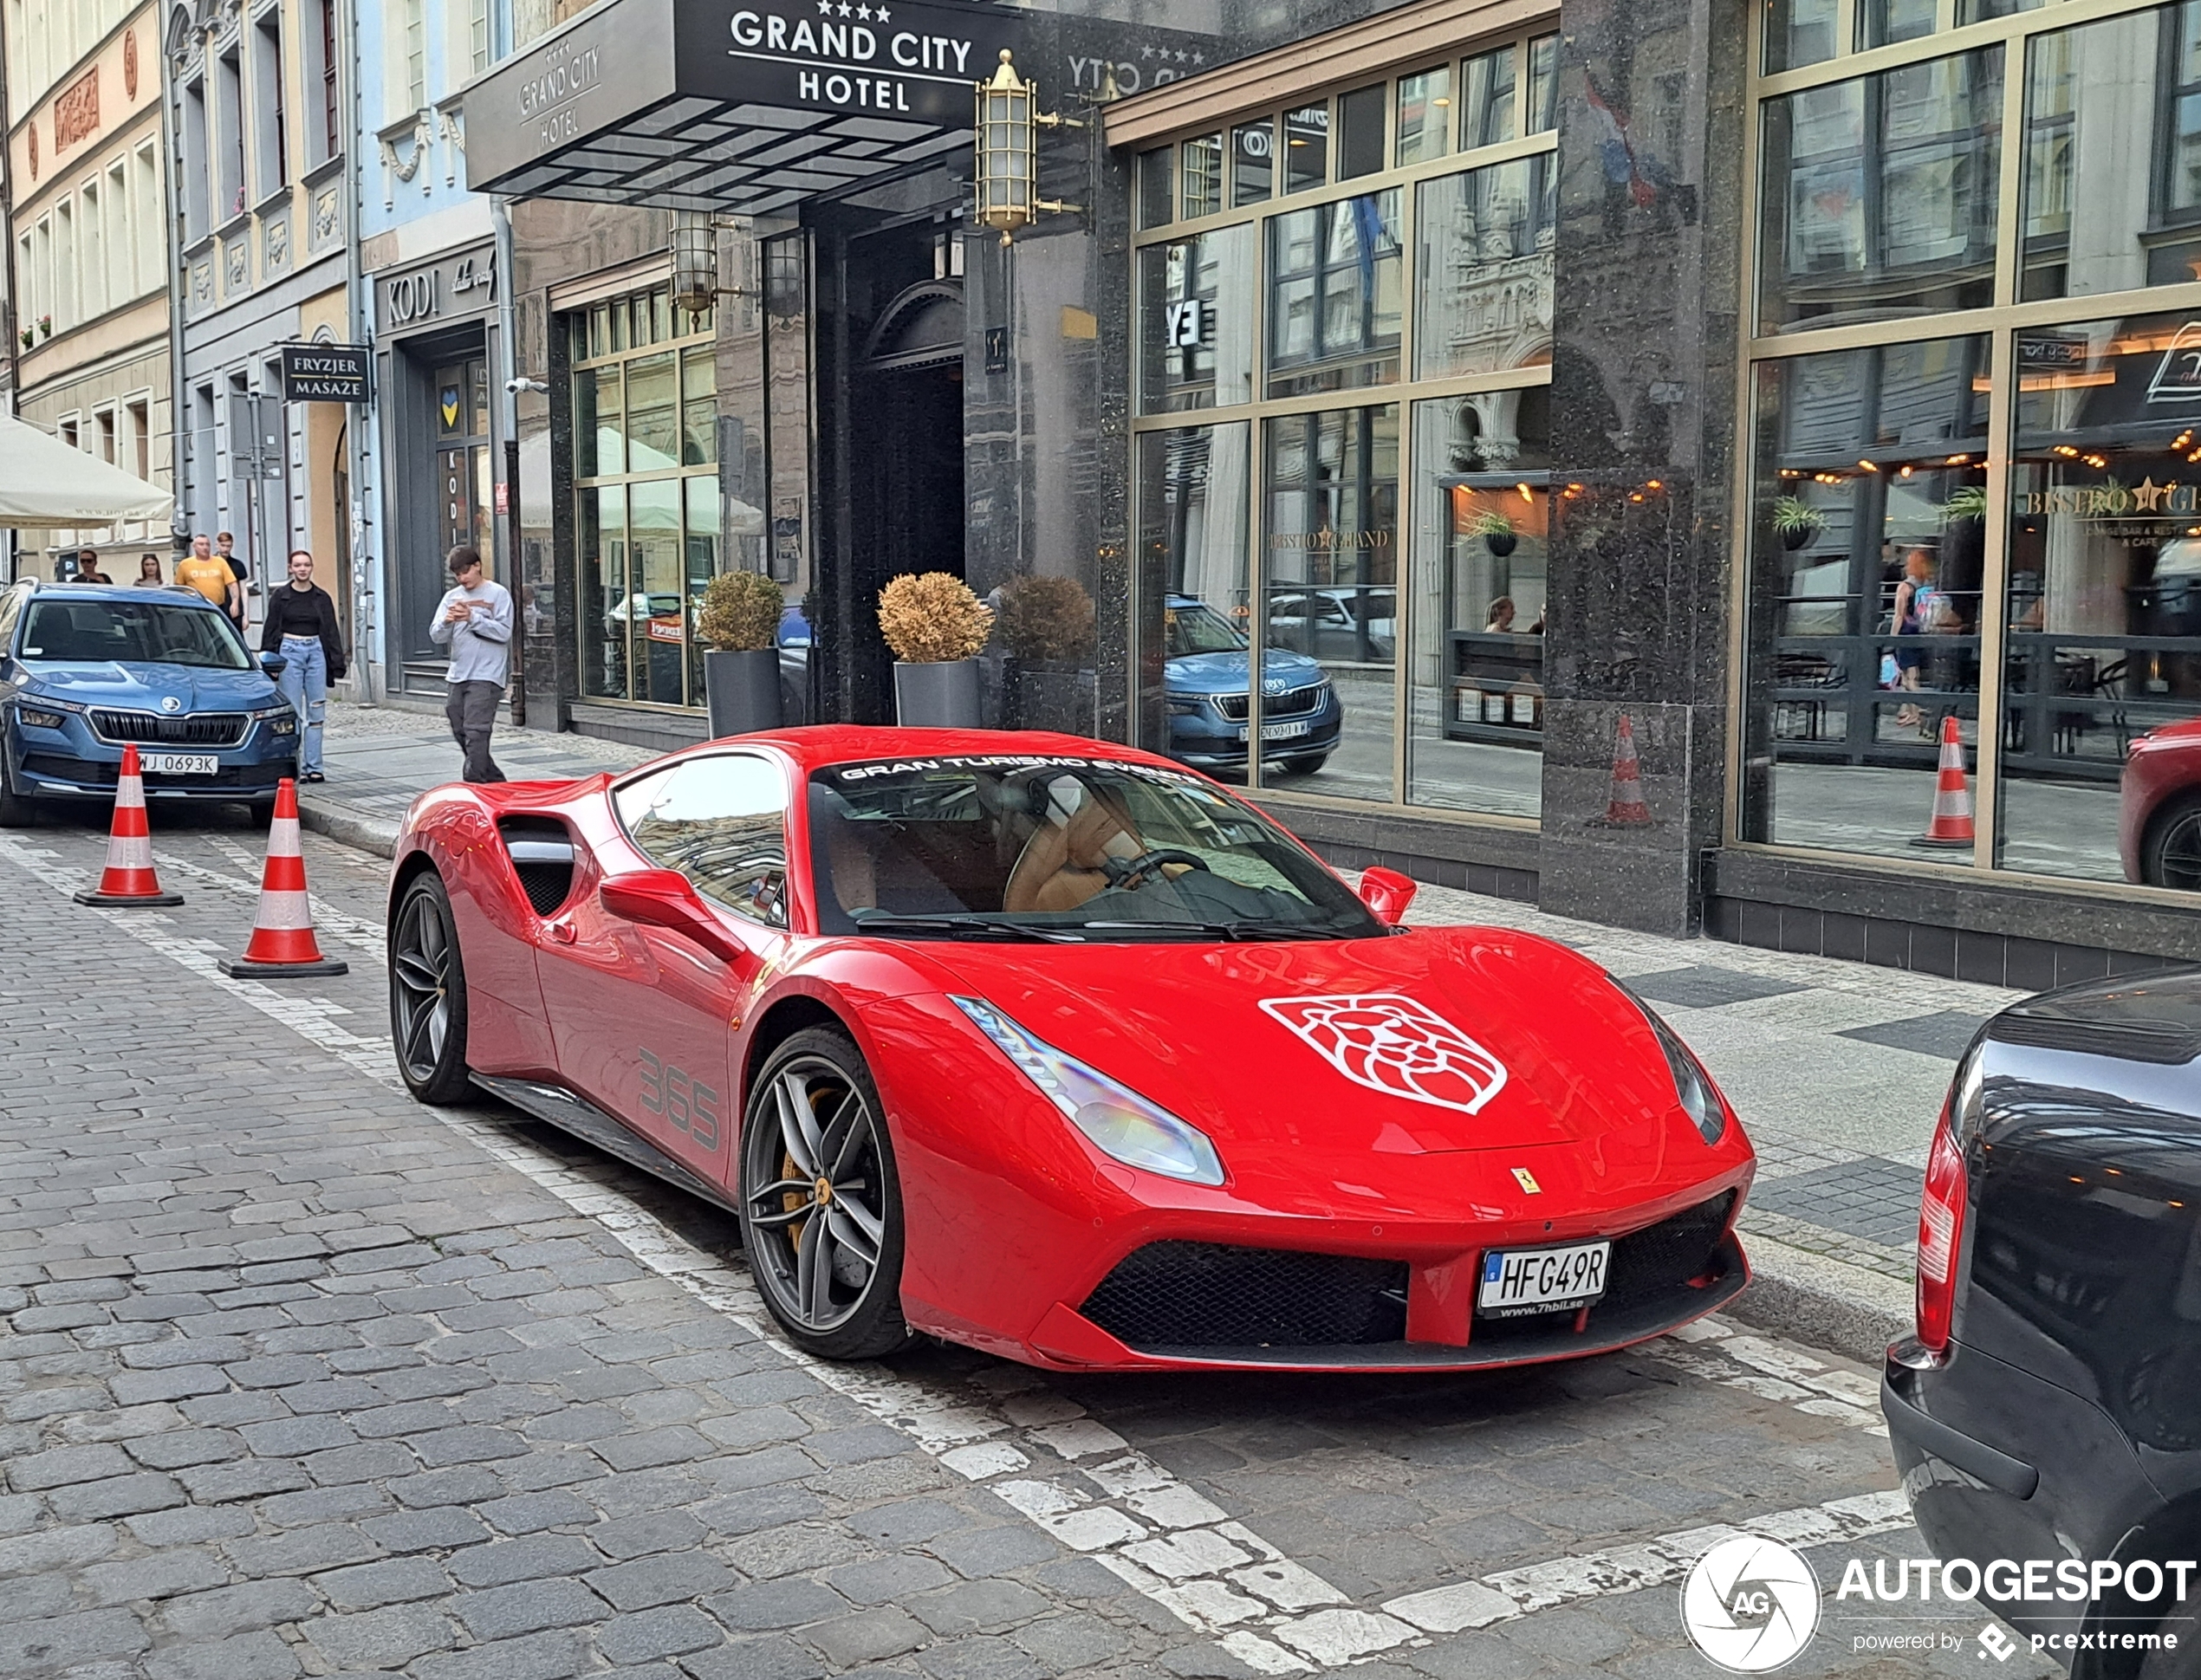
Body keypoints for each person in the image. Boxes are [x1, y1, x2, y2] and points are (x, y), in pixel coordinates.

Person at [263, 549, 347, 783]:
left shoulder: (321, 597)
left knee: (316, 711)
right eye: (297, 565)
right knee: (294, 713)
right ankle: (296, 767)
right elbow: (270, 628)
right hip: (289, 651)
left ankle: (315, 767)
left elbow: (331, 630)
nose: (302, 569)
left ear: (311, 568)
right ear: (290, 568)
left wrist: (337, 662)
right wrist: (268, 661)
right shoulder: (281, 597)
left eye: (306, 565)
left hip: (316, 653)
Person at [431, 546, 512, 783]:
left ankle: (473, 782)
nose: (462, 578)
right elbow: (436, 635)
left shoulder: (498, 594)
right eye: (457, 574)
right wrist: (447, 621)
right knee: (459, 727)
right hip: (458, 673)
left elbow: (504, 632)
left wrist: (473, 618)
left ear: (478, 565)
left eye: (465, 571)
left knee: (477, 731)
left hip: (487, 674)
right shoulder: (451, 597)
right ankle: (496, 782)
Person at [1891, 548, 1940, 732]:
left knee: (1908, 677)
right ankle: (1913, 712)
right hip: (1920, 631)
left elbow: (1899, 615)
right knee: (1912, 674)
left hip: (1906, 632)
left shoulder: (1904, 587)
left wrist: (1892, 637)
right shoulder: (1926, 585)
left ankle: (1920, 709)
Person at [175, 535, 239, 619]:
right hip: (194, 608)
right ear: (194, 546)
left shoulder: (220, 562)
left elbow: (232, 584)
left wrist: (235, 603)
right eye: (201, 544)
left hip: (217, 607)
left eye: (207, 544)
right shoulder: (185, 565)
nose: (205, 547)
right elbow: (179, 589)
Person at [216, 531, 249, 639]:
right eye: (223, 545)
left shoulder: (238, 565)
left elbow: (244, 591)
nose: (225, 549)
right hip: (216, 609)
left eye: (228, 546)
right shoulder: (210, 564)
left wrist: (246, 615)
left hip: (234, 613)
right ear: (217, 545)